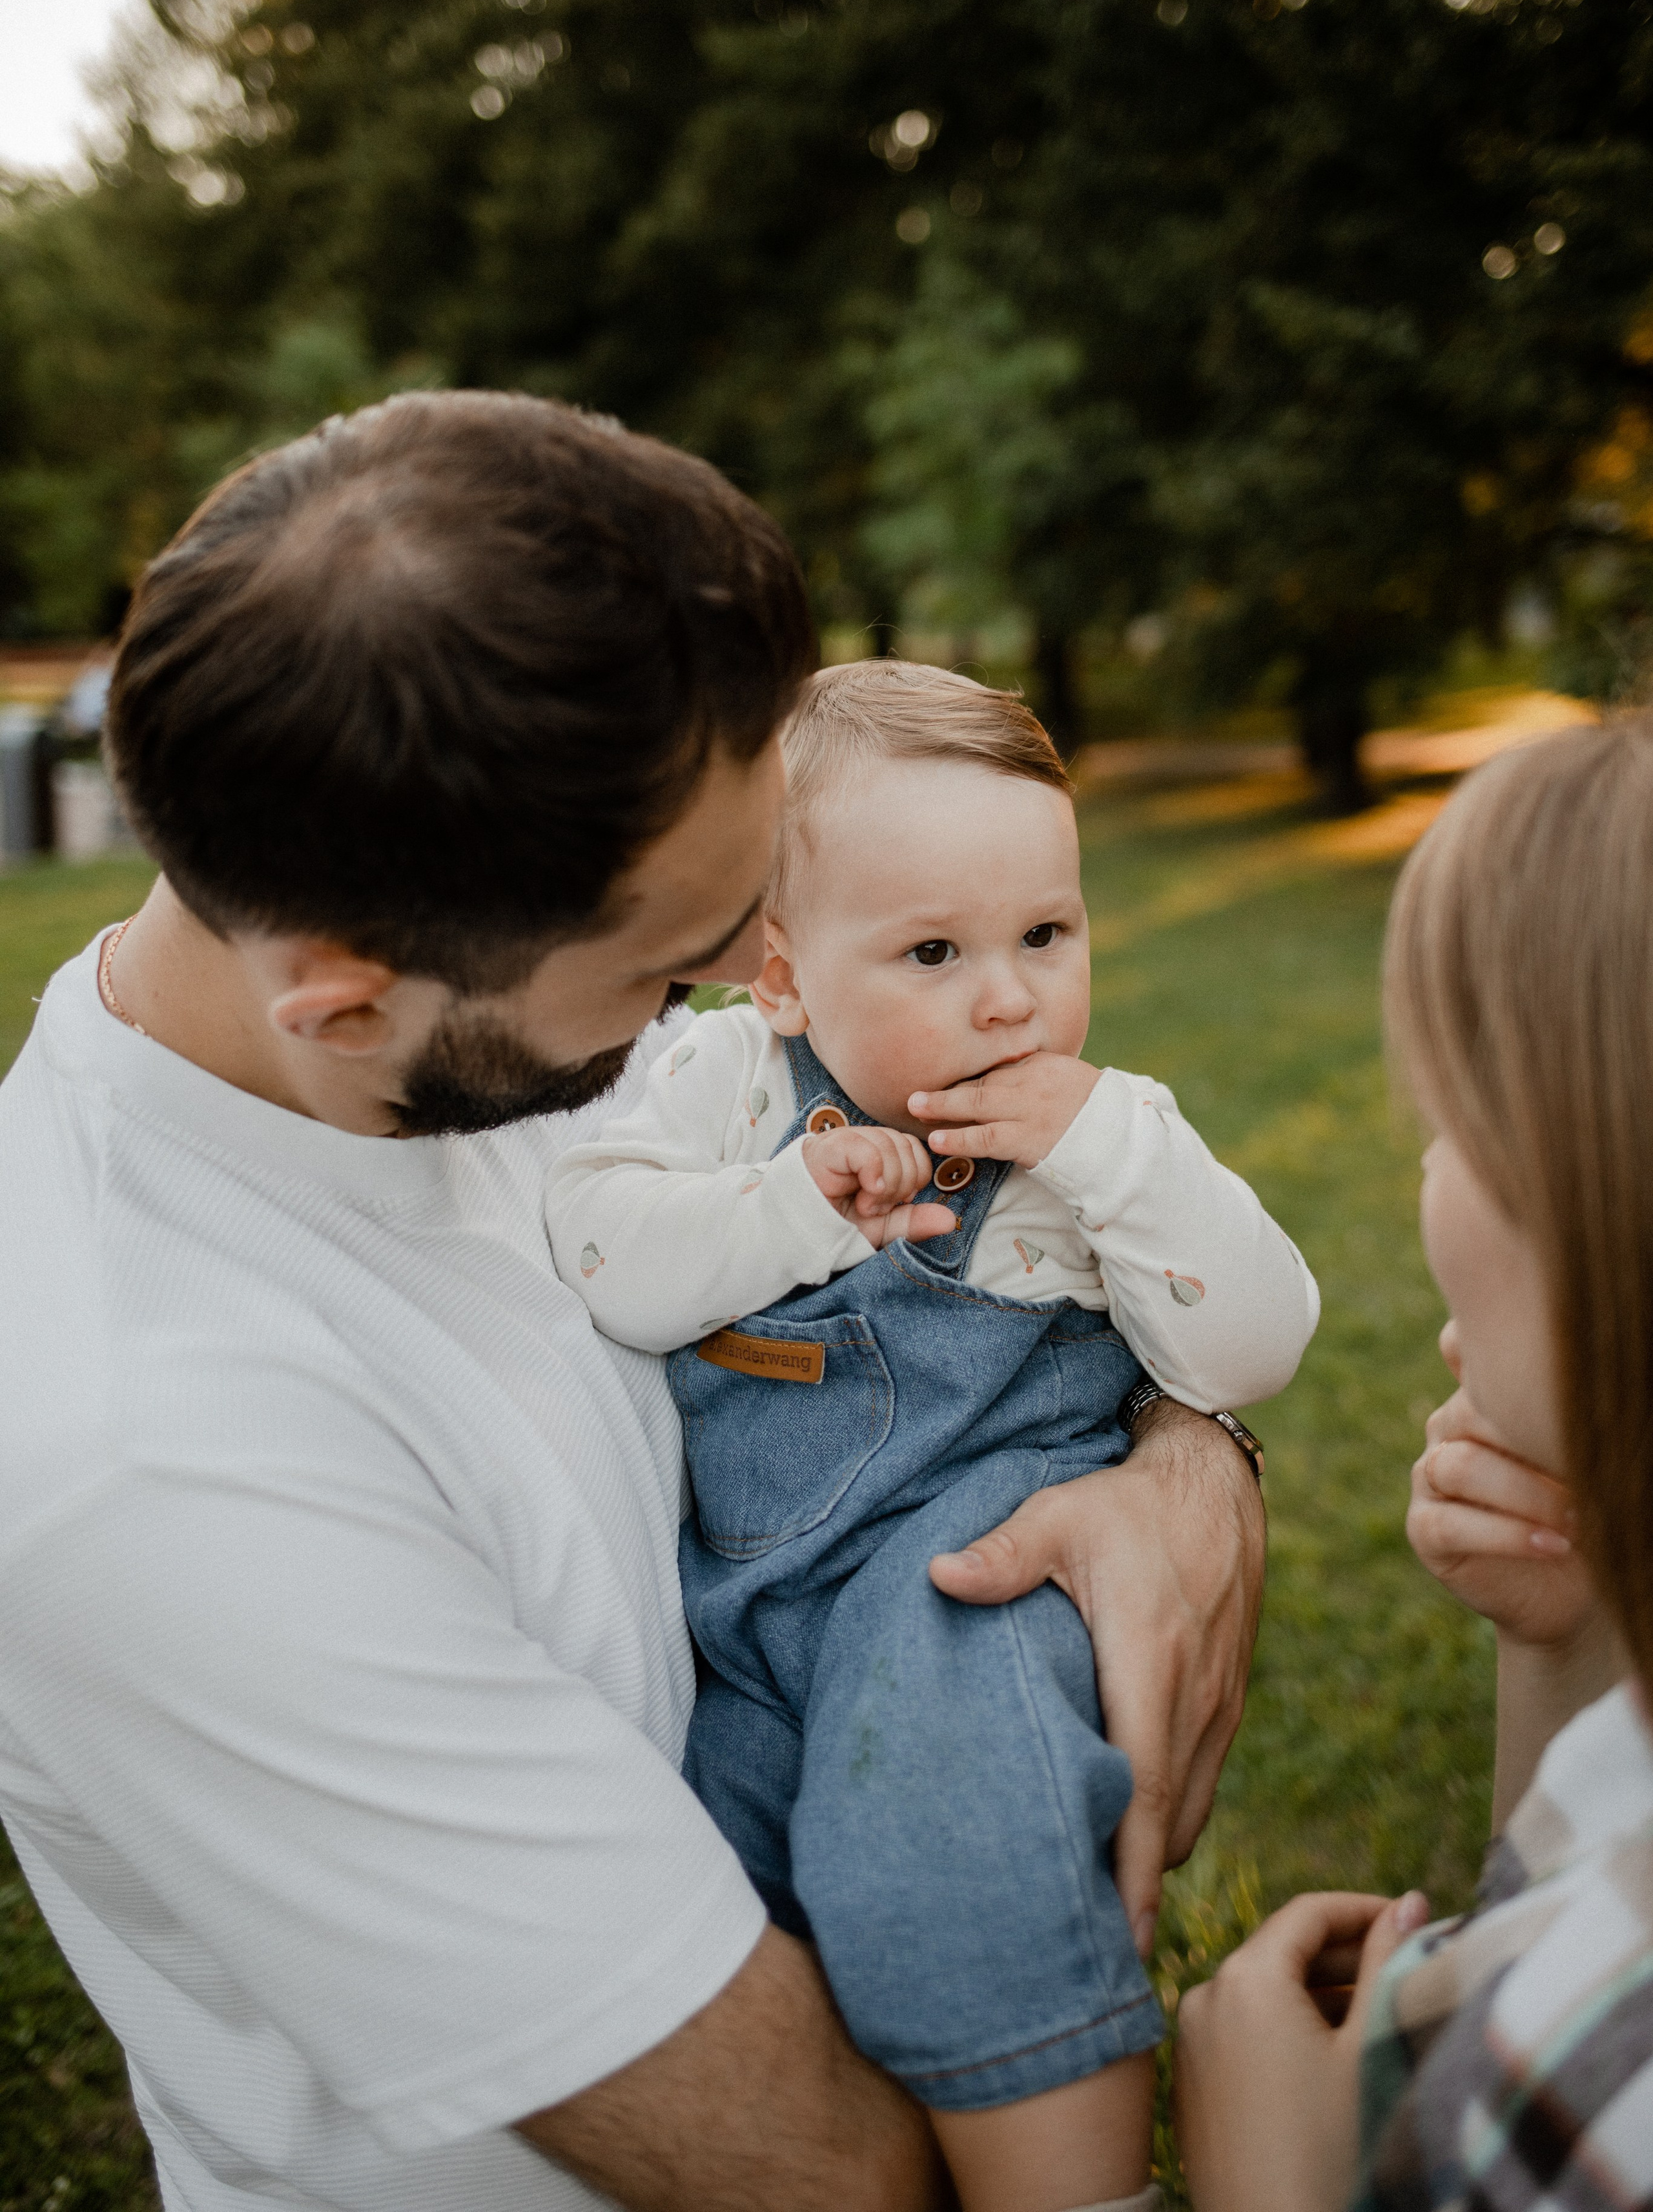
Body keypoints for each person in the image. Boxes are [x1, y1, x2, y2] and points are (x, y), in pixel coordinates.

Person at [0, 391, 1270, 2212]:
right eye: (673, 966)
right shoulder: (146, 1463)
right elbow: (827, 2171)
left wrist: (1183, 1465)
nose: (753, 982)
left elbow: (1080, 1318)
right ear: (346, 1002)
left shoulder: (491, 993)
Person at [547, 661, 1319, 2212]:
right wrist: (787, 1206)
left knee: (957, 1853)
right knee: (731, 1897)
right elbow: (607, 1256)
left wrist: (1112, 1156)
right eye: (932, 952)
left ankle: (1075, 2186)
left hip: (976, 1575)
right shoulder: (727, 1084)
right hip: (750, 1626)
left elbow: (1255, 1343)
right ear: (781, 979)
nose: (1008, 999)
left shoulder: (1101, 1140)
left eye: (1045, 935)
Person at [1173, 714, 1653, 2212]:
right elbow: (1554, 1913)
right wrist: (1557, 1639)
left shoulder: (1596, 2088)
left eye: (1451, 1117)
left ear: (1595, 1201)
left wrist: (1273, 2191)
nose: (1423, 1170)